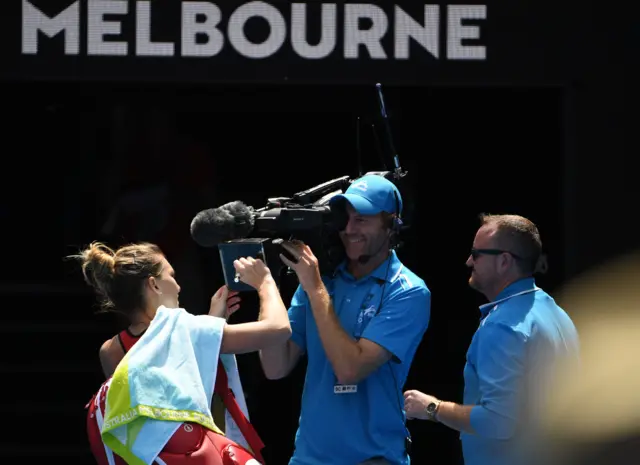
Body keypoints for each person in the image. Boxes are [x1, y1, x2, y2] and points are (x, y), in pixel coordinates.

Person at [237, 174, 431, 465]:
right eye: (346, 219)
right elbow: (276, 366)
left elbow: (350, 369)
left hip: (373, 458)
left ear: (390, 224)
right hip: (308, 457)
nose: (349, 229)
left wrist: (314, 286)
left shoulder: (408, 291)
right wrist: (268, 287)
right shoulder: (321, 280)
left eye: (362, 219)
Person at [74, 240, 291, 465]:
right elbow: (278, 329)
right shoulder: (184, 328)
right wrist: (265, 282)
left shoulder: (111, 351)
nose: (178, 286)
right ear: (154, 285)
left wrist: (210, 324)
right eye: (171, 276)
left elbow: (170, 387)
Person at [403, 213, 580, 465]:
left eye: (476, 254)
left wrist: (432, 408)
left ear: (504, 261)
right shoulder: (557, 314)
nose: (468, 261)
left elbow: (497, 421)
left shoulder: (501, 326)